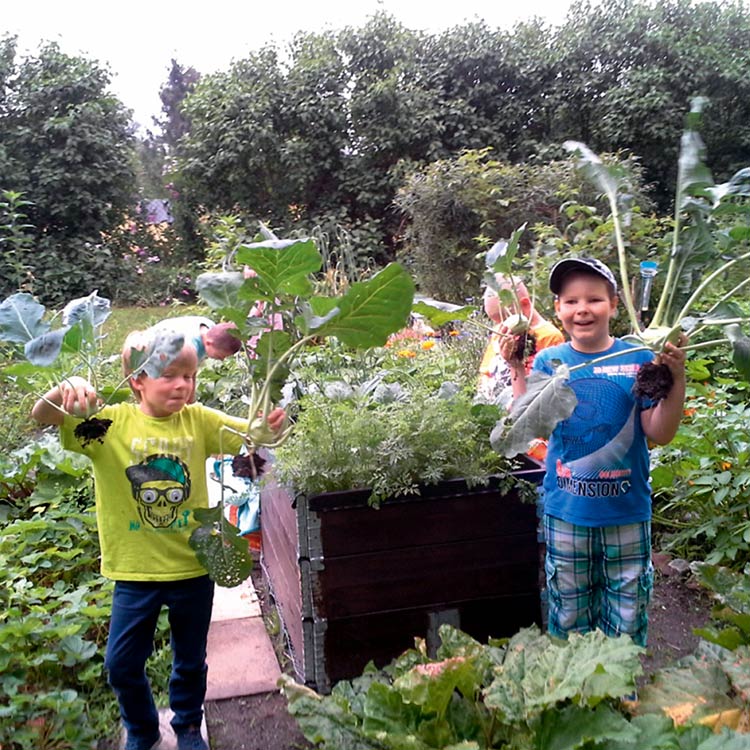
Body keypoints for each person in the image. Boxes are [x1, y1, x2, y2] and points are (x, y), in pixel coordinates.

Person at [31, 331, 286, 750]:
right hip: (134, 571)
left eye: (189, 375)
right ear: (137, 381)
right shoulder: (108, 425)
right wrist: (65, 387)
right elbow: (45, 415)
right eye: (169, 376)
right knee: (121, 665)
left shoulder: (199, 420)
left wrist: (272, 423)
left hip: (193, 565)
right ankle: (144, 728)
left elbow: (257, 434)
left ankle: (187, 725)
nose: (183, 385)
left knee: (190, 660)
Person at [500, 257, 686, 646]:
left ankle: (621, 694)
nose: (582, 309)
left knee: (628, 608)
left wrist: (677, 376)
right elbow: (528, 423)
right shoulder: (552, 361)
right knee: (568, 611)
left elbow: (660, 432)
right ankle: (575, 698)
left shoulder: (637, 359)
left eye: (594, 300)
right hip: (566, 512)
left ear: (614, 305)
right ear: (558, 310)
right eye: (570, 301)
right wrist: (517, 367)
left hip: (626, 512)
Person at [478, 275, 564, 404]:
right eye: (496, 321)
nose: (501, 326)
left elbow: (544, 388)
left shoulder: (549, 337)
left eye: (504, 319)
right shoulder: (500, 331)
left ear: (524, 304)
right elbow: (486, 372)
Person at [150, 315, 242, 363]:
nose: (222, 360)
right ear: (209, 343)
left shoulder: (210, 327)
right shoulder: (190, 346)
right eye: (219, 356)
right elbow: (187, 371)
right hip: (152, 349)